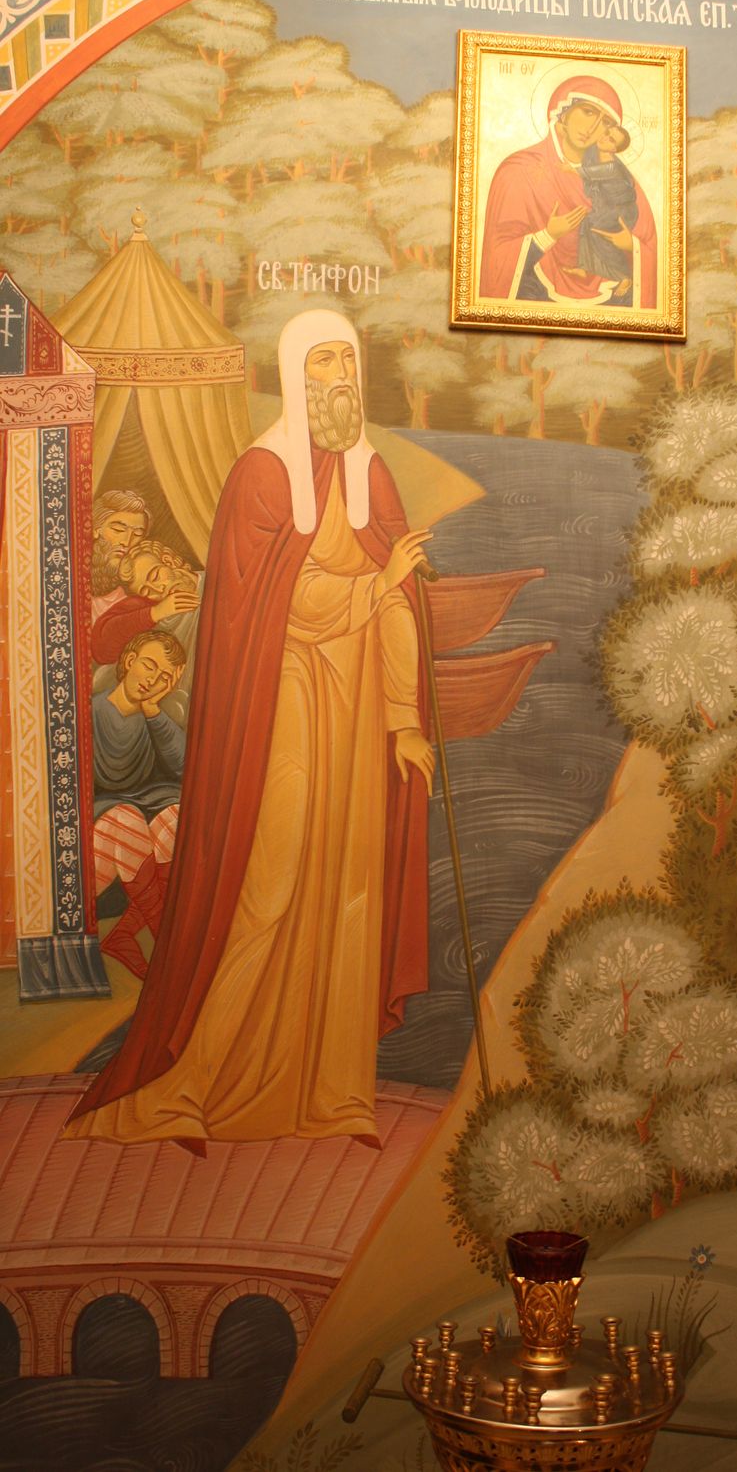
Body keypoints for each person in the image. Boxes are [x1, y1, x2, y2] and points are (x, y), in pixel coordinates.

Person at [67, 308, 435, 1149]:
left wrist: (405, 720)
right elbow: (272, 607)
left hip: (358, 715)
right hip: (284, 708)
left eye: (348, 360)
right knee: (265, 888)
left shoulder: (372, 477)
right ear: (296, 375)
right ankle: (185, 1087)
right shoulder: (261, 475)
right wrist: (374, 589)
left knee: (350, 895)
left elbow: (399, 602)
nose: (339, 377)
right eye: (323, 362)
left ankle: (334, 1093)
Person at [478, 75, 657, 309]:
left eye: (605, 123)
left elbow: (650, 249)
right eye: (588, 112)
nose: (592, 128)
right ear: (564, 111)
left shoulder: (621, 179)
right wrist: (548, 235)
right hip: (535, 293)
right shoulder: (519, 170)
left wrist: (630, 245)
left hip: (610, 295)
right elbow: (497, 256)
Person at [92, 631, 186, 979]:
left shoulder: (155, 717)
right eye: (149, 666)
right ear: (130, 661)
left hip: (145, 813)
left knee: (177, 818)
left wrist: (153, 711)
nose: (152, 679)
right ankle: (169, 952)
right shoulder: (92, 712)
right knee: (126, 818)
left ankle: (125, 935)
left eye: (163, 677)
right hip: (105, 820)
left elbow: (185, 768)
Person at [92, 538, 203, 695]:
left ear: (168, 561)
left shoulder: (217, 584)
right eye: (146, 591)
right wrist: (155, 613)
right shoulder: (161, 614)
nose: (158, 589)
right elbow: (103, 647)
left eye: (155, 576)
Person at [575, 121, 638, 301]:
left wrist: (569, 169)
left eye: (611, 139)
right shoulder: (593, 155)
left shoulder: (612, 166)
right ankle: (584, 267)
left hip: (623, 211)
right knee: (586, 222)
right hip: (608, 209)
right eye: (607, 133)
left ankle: (625, 276)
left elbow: (588, 173)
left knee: (597, 230)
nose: (604, 138)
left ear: (614, 149)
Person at [90, 490, 150, 623]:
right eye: (118, 530)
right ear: (96, 529)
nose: (126, 542)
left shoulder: (140, 592)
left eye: (137, 534)